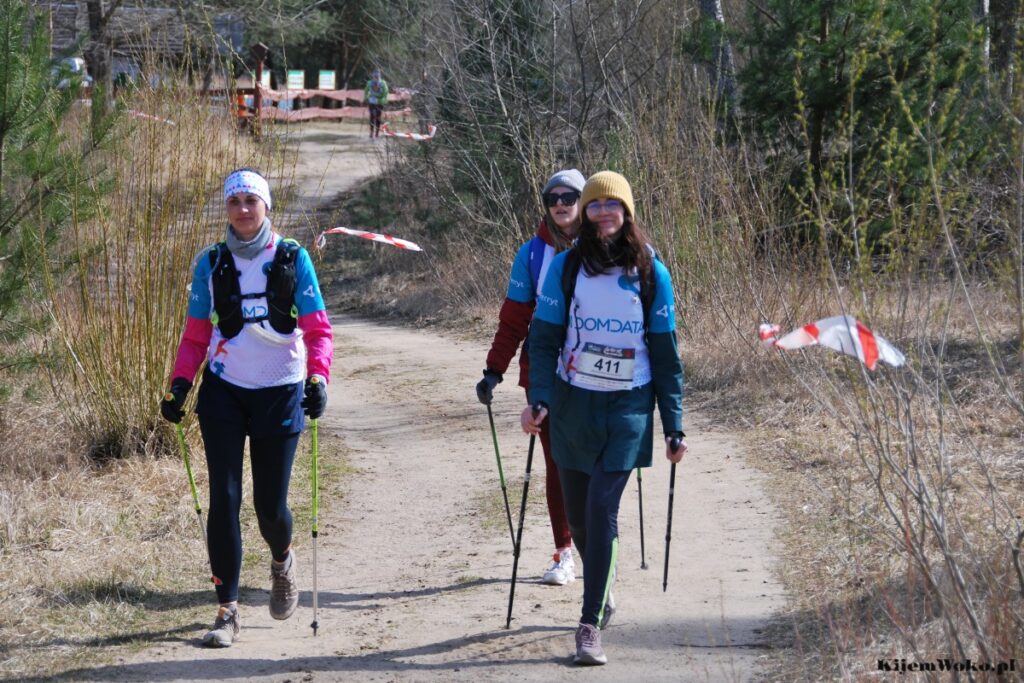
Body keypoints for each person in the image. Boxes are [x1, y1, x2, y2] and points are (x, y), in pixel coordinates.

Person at [160, 168, 334, 648]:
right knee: (225, 500)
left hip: (280, 387)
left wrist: (319, 378)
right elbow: (197, 334)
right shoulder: (211, 263)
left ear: (266, 207)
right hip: (224, 390)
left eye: (250, 201)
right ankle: (227, 612)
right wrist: (179, 385)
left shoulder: (292, 258)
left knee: (269, 508)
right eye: (233, 201)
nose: (241, 209)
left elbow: (318, 330)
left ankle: (282, 560)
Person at [520, 171, 686, 666]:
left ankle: (589, 624)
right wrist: (539, 397)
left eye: (613, 206)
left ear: (627, 212)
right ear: (586, 214)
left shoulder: (652, 271)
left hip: (629, 406)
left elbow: (665, 351)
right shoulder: (566, 269)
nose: (603, 213)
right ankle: (604, 581)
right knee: (578, 517)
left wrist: (674, 421)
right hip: (574, 406)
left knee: (600, 508)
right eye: (595, 206)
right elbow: (545, 339)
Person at [476, 169, 586, 586]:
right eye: (552, 197)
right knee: (558, 466)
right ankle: (565, 552)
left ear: (583, 199)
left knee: (591, 464)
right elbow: (514, 319)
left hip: (595, 372)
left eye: (569, 196)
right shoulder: (533, 254)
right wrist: (493, 370)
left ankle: (592, 542)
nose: (560, 203)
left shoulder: (604, 246)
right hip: (544, 373)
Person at [364, 68, 389, 139]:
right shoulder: (369, 83)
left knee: (378, 117)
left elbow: (386, 94)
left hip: (380, 103)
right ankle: (371, 133)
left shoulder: (383, 83)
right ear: (373, 76)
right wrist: (366, 98)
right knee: (372, 116)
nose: (376, 77)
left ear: (379, 76)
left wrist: (382, 100)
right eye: (375, 76)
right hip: (371, 102)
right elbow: (366, 91)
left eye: (377, 76)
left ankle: (377, 133)